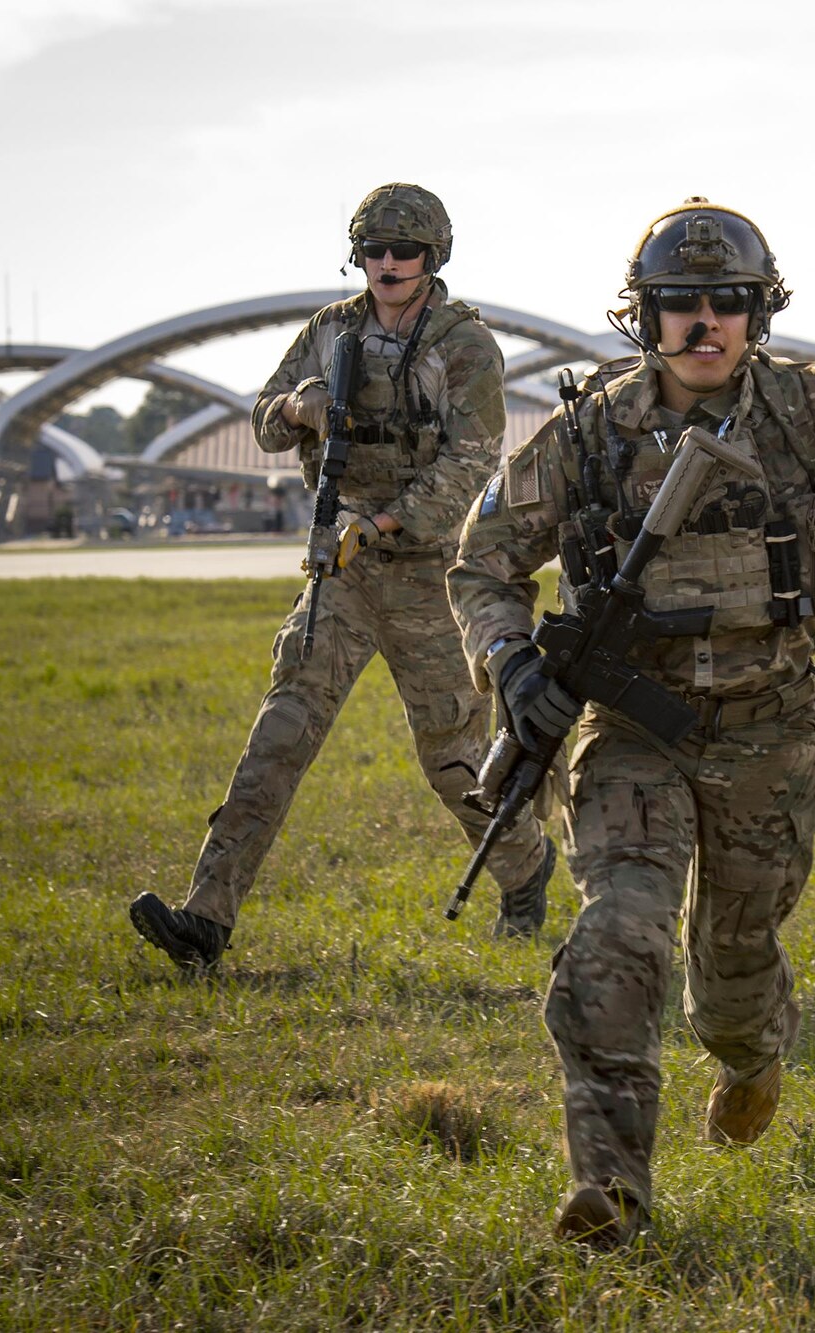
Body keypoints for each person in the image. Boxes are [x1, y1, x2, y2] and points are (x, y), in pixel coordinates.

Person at [450, 199, 815, 1247]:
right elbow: (481, 563)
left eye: (727, 304)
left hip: (771, 728)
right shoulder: (585, 433)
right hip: (632, 729)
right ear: (642, 315)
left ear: (759, 313)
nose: (702, 324)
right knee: (616, 930)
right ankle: (610, 1185)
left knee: (732, 969)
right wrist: (509, 657)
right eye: (676, 305)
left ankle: (751, 1057)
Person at [129, 182, 554, 970]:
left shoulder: (465, 346)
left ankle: (525, 868)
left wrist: (386, 522)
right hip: (343, 573)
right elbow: (261, 416)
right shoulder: (330, 332)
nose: (389, 265)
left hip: (427, 572)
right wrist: (297, 408)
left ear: (435, 257)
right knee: (280, 735)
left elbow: (472, 462)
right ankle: (206, 919)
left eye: (407, 252)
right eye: (374, 251)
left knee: (453, 758)